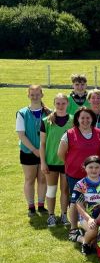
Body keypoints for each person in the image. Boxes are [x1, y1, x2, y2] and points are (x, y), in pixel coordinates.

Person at [58, 107, 100, 240]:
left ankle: (90, 224)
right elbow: (61, 154)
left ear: (92, 119)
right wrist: (72, 164)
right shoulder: (69, 134)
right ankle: (73, 228)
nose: (85, 120)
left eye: (88, 118)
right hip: (74, 174)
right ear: (77, 119)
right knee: (75, 201)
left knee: (93, 199)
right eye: (82, 117)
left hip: (94, 175)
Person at [17, 85, 50, 217]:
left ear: (42, 95)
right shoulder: (22, 113)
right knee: (30, 179)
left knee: (43, 179)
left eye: (37, 94)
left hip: (45, 152)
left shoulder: (49, 113)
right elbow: (21, 135)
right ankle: (31, 206)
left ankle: (41, 205)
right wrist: (34, 149)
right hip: (27, 151)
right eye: (32, 94)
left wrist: (41, 150)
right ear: (28, 95)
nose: (35, 96)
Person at [40, 93, 71, 227]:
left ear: (67, 104)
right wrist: (43, 162)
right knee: (51, 190)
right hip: (51, 162)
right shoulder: (46, 120)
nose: (60, 106)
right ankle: (51, 216)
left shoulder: (73, 120)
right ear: (54, 104)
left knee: (65, 190)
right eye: (57, 103)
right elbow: (42, 144)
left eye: (63, 103)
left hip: (66, 162)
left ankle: (64, 215)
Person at [72, 156, 100, 255]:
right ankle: (85, 244)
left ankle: (79, 237)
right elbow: (79, 205)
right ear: (84, 167)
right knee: (94, 230)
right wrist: (89, 219)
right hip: (86, 218)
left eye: (97, 167)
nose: (93, 170)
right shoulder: (80, 184)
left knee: (98, 241)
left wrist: (98, 219)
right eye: (90, 167)